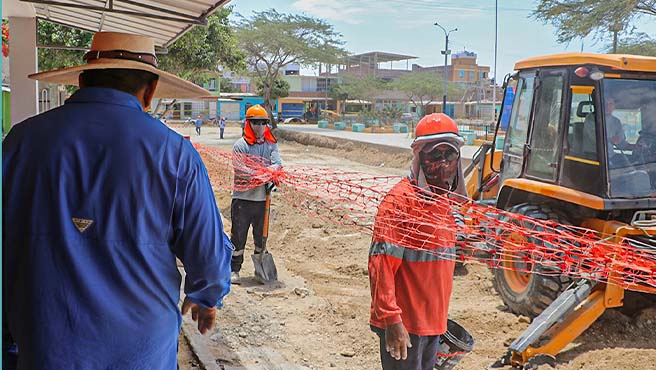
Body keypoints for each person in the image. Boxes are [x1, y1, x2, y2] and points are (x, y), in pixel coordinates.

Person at [3, 32, 233, 370]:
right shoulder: (175, 154)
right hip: (140, 353)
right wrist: (206, 297)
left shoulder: (21, 141)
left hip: (43, 343)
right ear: (151, 91)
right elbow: (209, 259)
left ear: (82, 80)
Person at [368, 113, 467, 370]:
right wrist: (391, 320)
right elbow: (381, 267)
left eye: (450, 155)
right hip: (405, 326)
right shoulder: (399, 203)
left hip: (433, 322)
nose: (443, 164)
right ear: (420, 158)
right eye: (435, 156)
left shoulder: (442, 201)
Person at [230, 104, 282, 283]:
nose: (260, 127)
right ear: (248, 124)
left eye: (263, 123)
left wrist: (269, 173)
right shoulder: (240, 145)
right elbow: (241, 170)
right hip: (242, 200)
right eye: (256, 123)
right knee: (238, 236)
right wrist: (265, 174)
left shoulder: (270, 145)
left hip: (262, 200)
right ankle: (234, 270)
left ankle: (260, 271)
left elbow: (277, 164)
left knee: (261, 236)